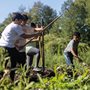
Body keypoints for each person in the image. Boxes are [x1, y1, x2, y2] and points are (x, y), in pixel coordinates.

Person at [0, 12, 41, 81]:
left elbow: (10, 38)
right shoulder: (15, 26)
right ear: (16, 19)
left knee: (14, 63)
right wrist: (35, 35)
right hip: (8, 47)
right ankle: (21, 78)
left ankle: (13, 78)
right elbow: (24, 36)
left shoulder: (9, 26)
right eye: (20, 20)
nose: (21, 21)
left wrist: (16, 46)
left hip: (4, 47)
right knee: (18, 63)